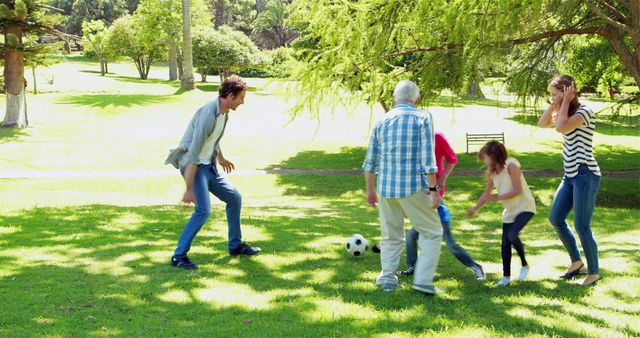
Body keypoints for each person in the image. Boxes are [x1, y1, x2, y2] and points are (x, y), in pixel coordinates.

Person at [165, 76, 261, 270]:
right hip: (194, 166)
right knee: (203, 210)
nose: (243, 102)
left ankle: (235, 246)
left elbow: (214, 139)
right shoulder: (208, 114)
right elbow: (193, 154)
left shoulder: (224, 113)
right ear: (231, 96)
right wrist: (189, 188)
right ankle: (179, 256)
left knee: (234, 198)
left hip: (208, 166)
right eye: (241, 97)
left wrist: (221, 158)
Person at [362, 80, 443, 295]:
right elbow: (428, 156)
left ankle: (387, 278)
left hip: (386, 188)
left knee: (390, 235)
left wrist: (370, 190)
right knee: (433, 232)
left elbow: (370, 160)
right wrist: (434, 189)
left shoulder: (382, 121)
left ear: (394, 98)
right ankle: (423, 281)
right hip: (413, 186)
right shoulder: (423, 117)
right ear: (416, 100)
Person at [537, 75, 601, 286]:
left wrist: (563, 102)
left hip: (585, 174)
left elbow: (561, 127)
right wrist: (557, 102)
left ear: (568, 91)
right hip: (570, 174)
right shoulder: (564, 109)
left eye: (554, 93)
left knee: (582, 225)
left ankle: (593, 273)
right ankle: (576, 262)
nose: (552, 98)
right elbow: (542, 123)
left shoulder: (584, 111)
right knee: (556, 218)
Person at [400, 131, 486, 281]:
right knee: (411, 236)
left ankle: (476, 267)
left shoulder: (437, 137)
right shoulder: (412, 139)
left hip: (436, 198)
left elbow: (452, 159)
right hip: (422, 198)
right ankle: (413, 267)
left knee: (450, 244)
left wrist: (442, 179)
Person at [467, 141, 536, 286]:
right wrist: (474, 209)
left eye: (486, 157)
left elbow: (518, 190)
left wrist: (497, 197)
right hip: (510, 211)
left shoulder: (512, 166)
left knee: (512, 235)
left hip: (525, 207)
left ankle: (524, 265)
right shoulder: (493, 172)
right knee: (505, 244)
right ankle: (506, 277)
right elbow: (486, 195)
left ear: (495, 156)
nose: (484, 161)